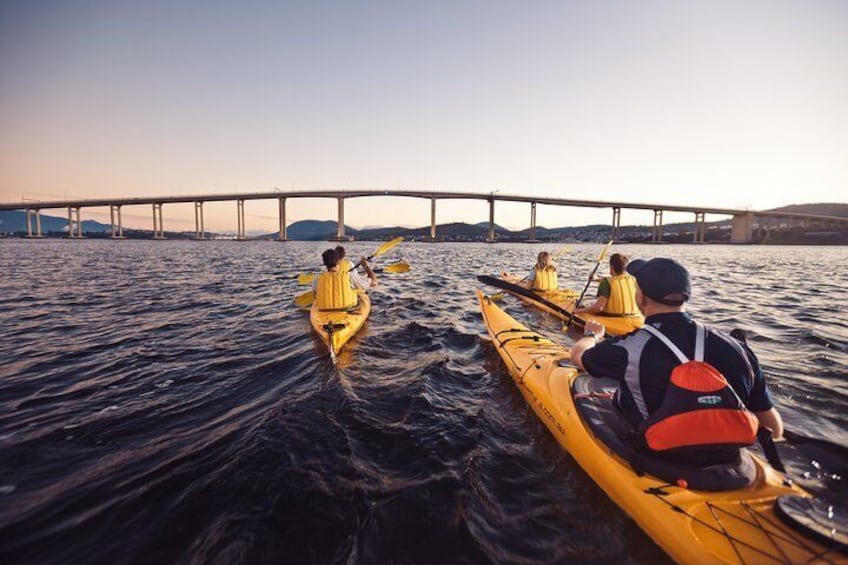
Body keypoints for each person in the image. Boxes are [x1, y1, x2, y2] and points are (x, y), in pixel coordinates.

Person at [571, 257, 783, 462]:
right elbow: (774, 429)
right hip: (726, 457)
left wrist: (593, 335)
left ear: (642, 298)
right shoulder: (737, 348)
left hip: (655, 453)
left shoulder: (630, 347)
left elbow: (578, 356)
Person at [312, 249, 377, 310]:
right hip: (347, 309)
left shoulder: (317, 278)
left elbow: (315, 294)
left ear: (324, 263)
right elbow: (374, 282)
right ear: (339, 261)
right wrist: (366, 266)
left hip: (324, 310)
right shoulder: (350, 276)